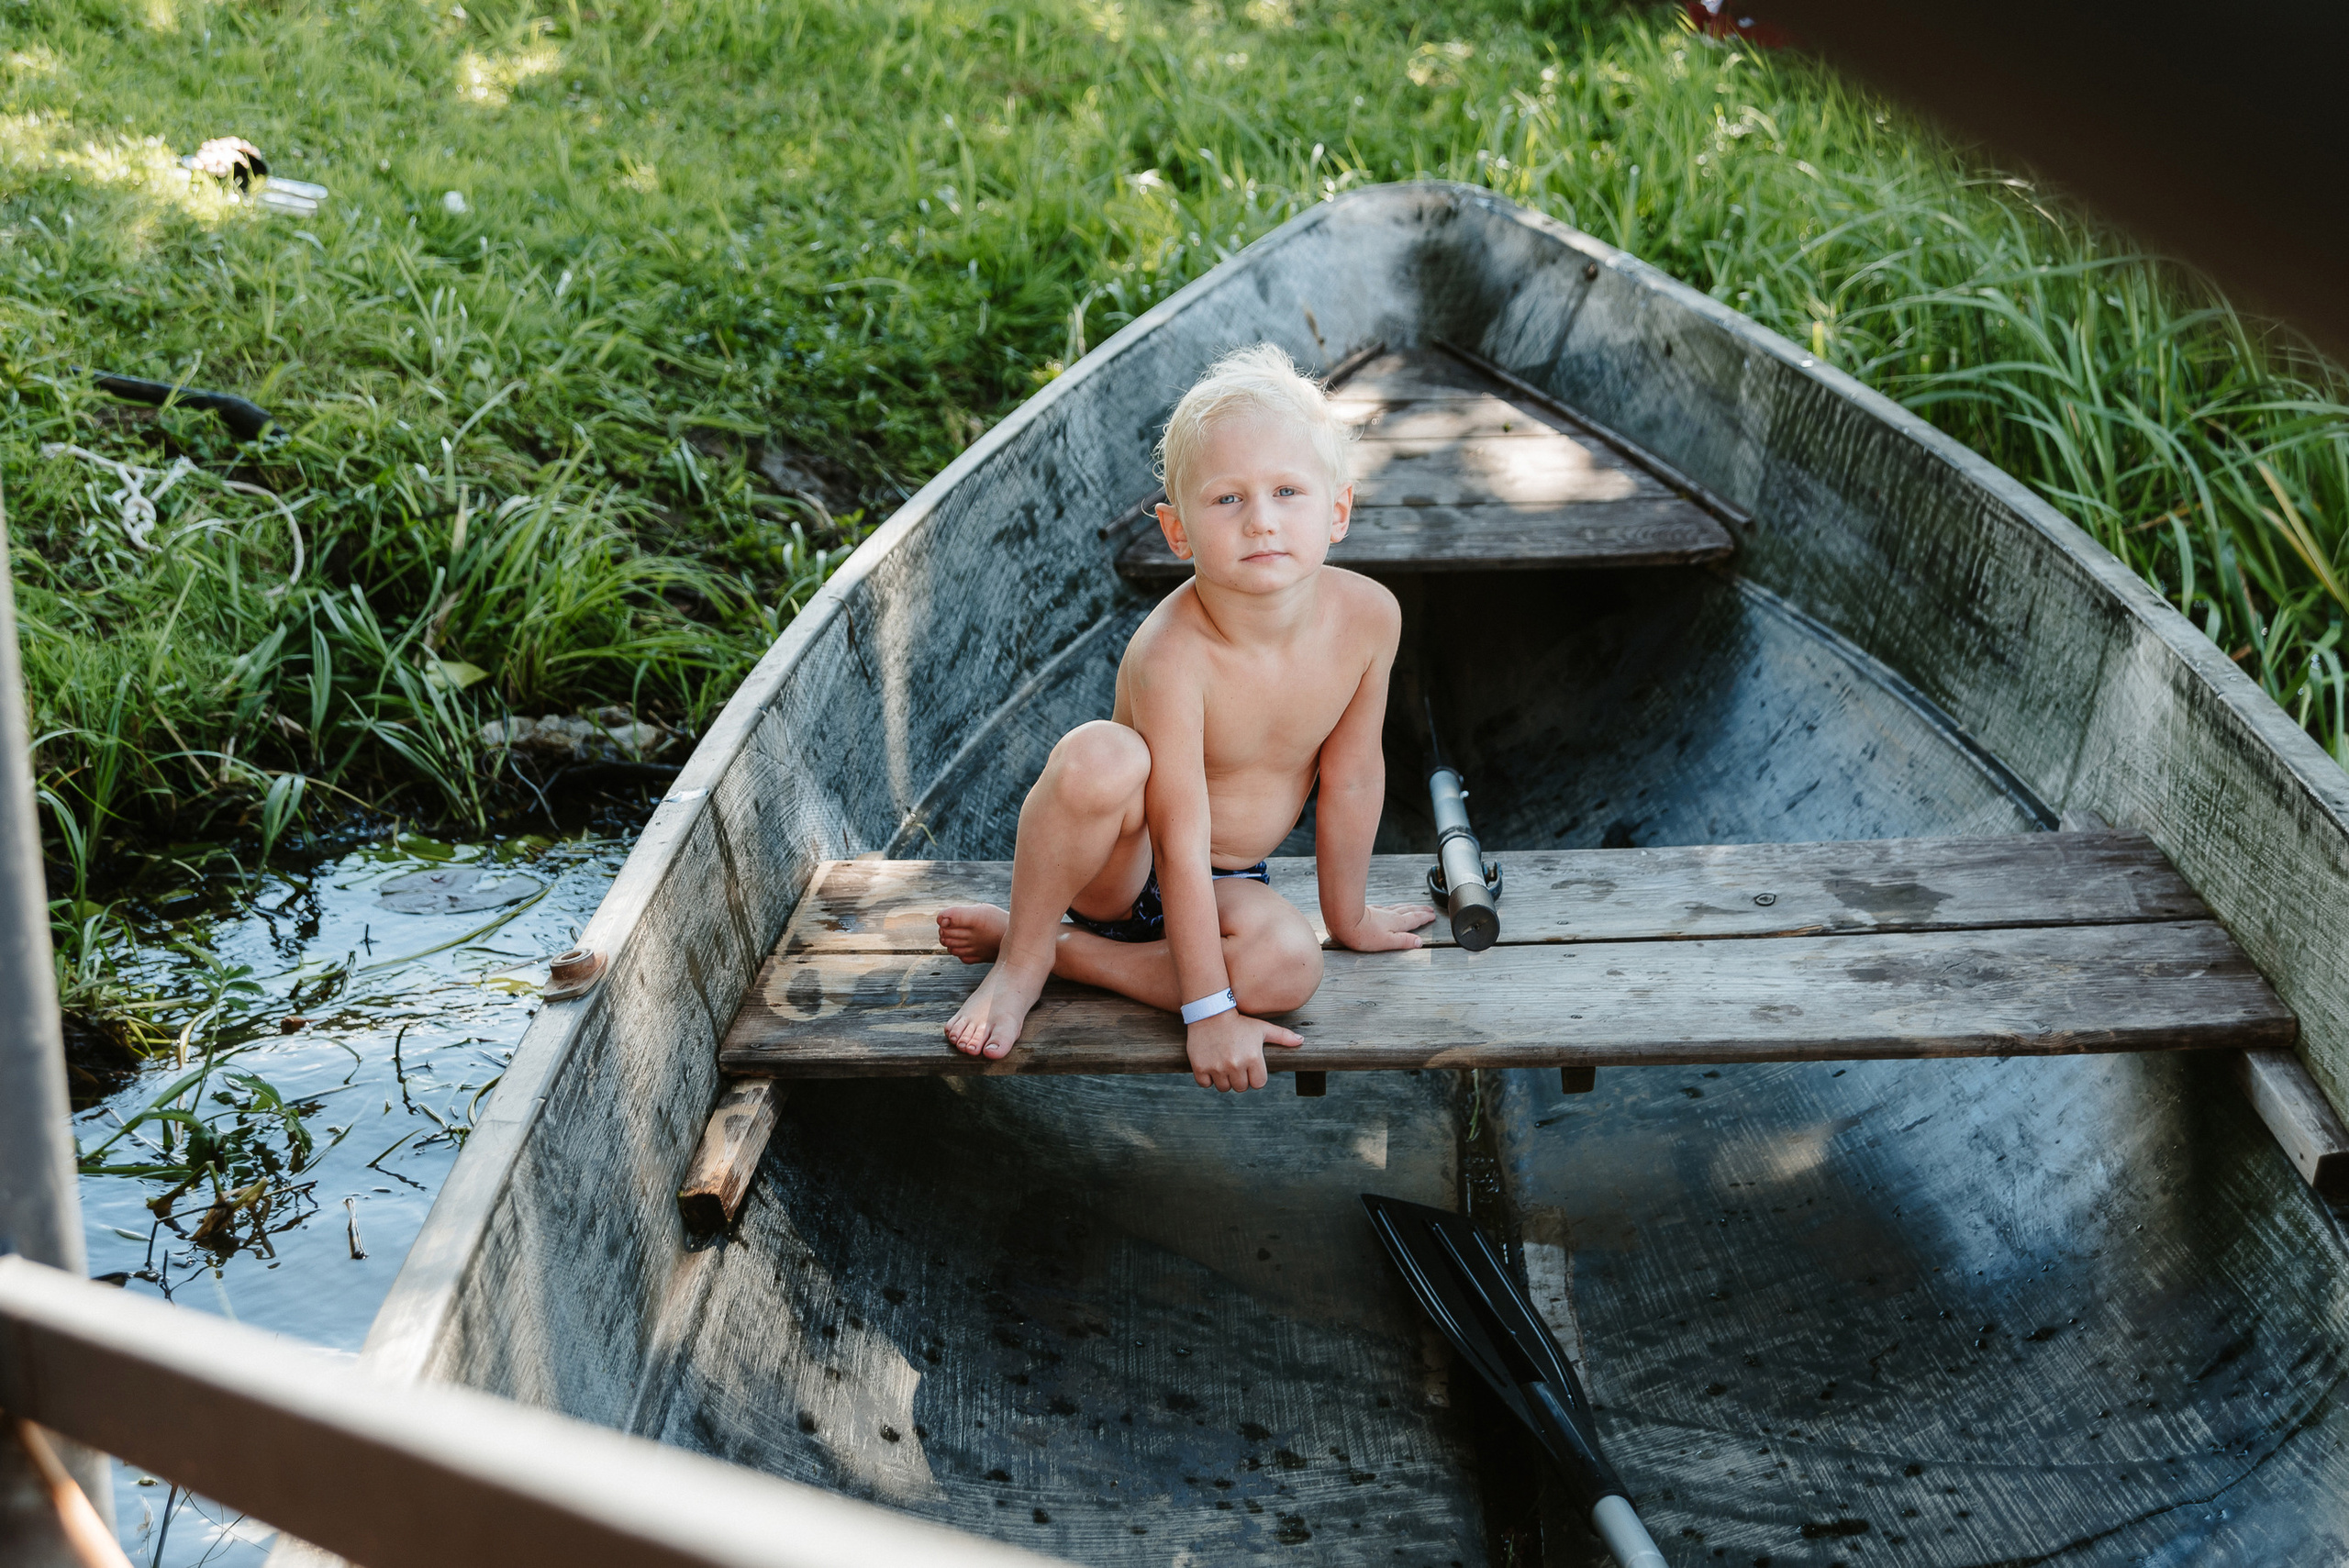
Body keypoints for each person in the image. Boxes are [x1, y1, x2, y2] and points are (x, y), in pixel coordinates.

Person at [936, 343, 1435, 1092]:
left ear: (1337, 510)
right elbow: (1178, 830)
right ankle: (1021, 962)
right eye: (1227, 499)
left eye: (1288, 492)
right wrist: (1208, 1011)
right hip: (1126, 869)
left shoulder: (1370, 618)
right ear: (1178, 532)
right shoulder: (1172, 652)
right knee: (1100, 755)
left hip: (1229, 877)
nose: (1261, 521)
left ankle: (1066, 954)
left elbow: (1355, 777)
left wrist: (1350, 916)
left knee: (1294, 964)